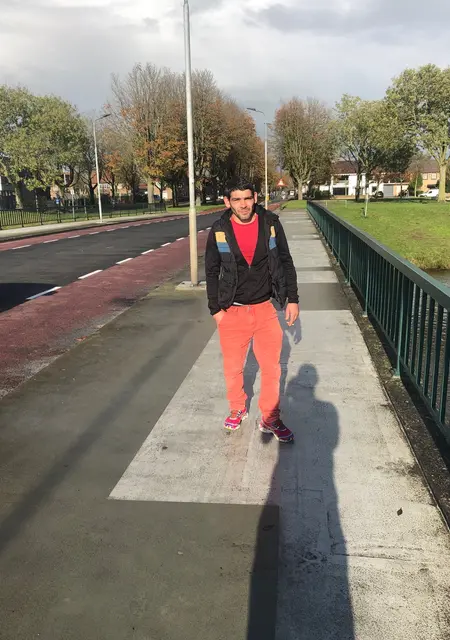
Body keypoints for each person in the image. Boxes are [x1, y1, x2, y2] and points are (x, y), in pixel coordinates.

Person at [205, 179, 299, 443]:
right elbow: (211, 271)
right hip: (232, 311)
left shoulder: (270, 223)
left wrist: (292, 299)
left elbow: (285, 260)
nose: (243, 204)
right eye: (236, 199)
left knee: (272, 368)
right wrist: (215, 310)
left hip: (265, 309)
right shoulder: (219, 230)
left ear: (255, 197)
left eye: (247, 198)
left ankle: (270, 417)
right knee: (233, 368)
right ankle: (237, 408)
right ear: (228, 202)